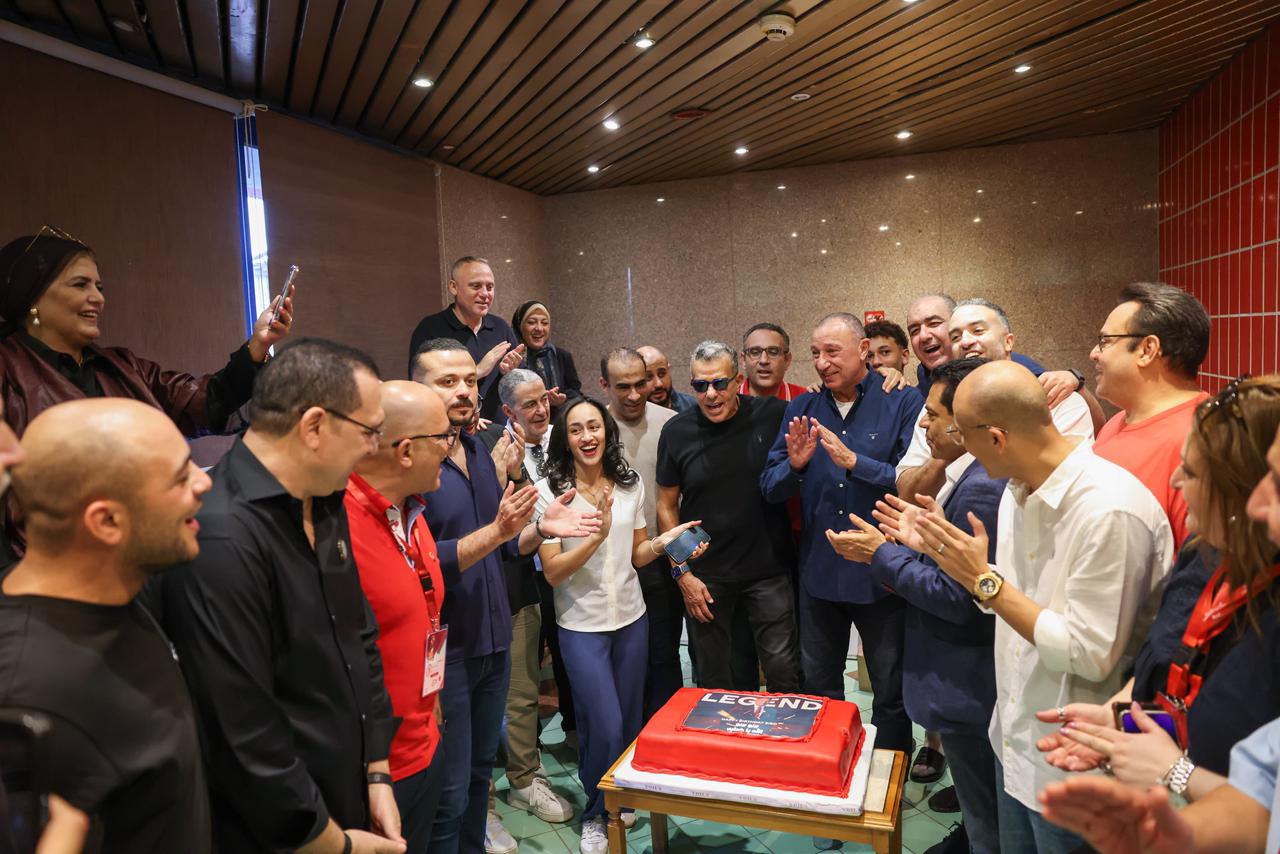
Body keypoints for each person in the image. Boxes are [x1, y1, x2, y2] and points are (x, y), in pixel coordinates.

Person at [912, 359, 1173, 854]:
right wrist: (957, 563)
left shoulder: (1109, 509)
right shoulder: (1018, 489)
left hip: (1077, 763)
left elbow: (1089, 653)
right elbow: (1014, 602)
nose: (956, 445)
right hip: (1014, 740)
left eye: (961, 433)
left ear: (996, 438)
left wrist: (984, 581)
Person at [159, 338, 406, 854]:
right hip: (283, 830)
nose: (374, 447)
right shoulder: (220, 535)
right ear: (314, 426)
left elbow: (358, 634)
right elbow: (241, 730)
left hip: (349, 789)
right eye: (369, 431)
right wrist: (331, 842)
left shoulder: (325, 495)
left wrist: (377, 770)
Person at [1034, 377, 1280, 803]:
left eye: (1193, 472)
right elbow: (1166, 676)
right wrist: (1121, 717)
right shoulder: (1202, 554)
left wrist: (1177, 773)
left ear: (1238, 492)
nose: (1177, 480)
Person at [410, 338, 600, 854]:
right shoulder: (411, 461)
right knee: (448, 792)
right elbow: (416, 558)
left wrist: (540, 529)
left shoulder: (478, 450)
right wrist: (499, 533)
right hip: (445, 648)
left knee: (477, 778)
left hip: (494, 637)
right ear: (417, 389)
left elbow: (504, 545)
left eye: (470, 381)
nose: (463, 391)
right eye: (447, 381)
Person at [0, 229, 293, 560]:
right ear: (33, 296)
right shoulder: (7, 368)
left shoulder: (122, 366)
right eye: (80, 285)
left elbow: (203, 403)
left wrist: (257, 346)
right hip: (51, 565)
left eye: (99, 287)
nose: (98, 298)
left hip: (144, 555)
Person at [0, 398, 210, 852]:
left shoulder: (120, 592)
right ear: (107, 521)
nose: (205, 481)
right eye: (181, 477)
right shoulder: (29, 696)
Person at [826, 357, 1004, 854]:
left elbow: (959, 599)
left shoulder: (982, 489)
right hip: (970, 685)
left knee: (989, 825)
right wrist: (921, 543)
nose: (923, 423)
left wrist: (882, 555)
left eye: (932, 414)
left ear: (965, 420)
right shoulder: (970, 475)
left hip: (969, 684)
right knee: (982, 816)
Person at [536, 397, 704, 854]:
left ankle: (620, 797)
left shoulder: (629, 483)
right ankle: (596, 815)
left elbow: (638, 554)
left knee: (629, 720)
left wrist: (666, 541)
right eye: (576, 429)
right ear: (564, 438)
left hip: (632, 618)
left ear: (607, 432)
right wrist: (596, 536)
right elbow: (553, 573)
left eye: (594, 426)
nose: (587, 436)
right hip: (580, 625)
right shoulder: (552, 493)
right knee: (604, 723)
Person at [760, 313, 922, 755]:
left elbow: (914, 481)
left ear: (864, 350)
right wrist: (795, 467)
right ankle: (829, 765)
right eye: (815, 353)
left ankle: (889, 770)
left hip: (882, 573)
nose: (821, 362)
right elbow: (770, 487)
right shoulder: (804, 408)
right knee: (820, 687)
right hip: (820, 574)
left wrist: (855, 462)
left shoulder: (902, 400)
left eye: (832, 351)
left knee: (890, 689)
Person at [344, 381, 458, 853]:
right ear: (406, 450)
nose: (450, 448)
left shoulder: (409, 511)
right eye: (444, 436)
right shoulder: (336, 527)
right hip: (376, 774)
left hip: (426, 738)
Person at [656, 340, 801, 692]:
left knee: (783, 671)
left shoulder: (771, 413)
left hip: (768, 570)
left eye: (720, 383)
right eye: (700, 385)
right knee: (717, 680)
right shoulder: (676, 431)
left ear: (738, 381)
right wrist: (682, 573)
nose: (710, 394)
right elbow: (666, 505)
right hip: (706, 577)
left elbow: (823, 405)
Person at [895, 292, 1102, 505]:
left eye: (978, 330)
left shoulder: (1055, 397)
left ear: (1008, 341)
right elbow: (907, 493)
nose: (965, 342)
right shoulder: (936, 409)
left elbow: (1064, 484)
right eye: (955, 337)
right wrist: (949, 447)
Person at [479, 369, 574, 825]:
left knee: (525, 691)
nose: (540, 410)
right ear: (506, 410)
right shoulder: (486, 446)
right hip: (490, 583)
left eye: (543, 401)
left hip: (539, 580)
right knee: (485, 699)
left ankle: (525, 776)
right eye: (528, 404)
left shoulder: (557, 441)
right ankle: (485, 803)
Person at [1090, 282, 1211, 547]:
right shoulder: (1117, 421)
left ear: (1147, 350)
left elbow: (1199, 563)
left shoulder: (1202, 439)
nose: (1094, 354)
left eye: (1105, 342)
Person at [599, 347, 682, 718]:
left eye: (640, 383)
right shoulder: (592, 427)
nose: (634, 395)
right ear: (604, 385)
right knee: (623, 658)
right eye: (623, 387)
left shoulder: (672, 423)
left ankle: (667, 728)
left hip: (660, 556)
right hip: (609, 562)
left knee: (664, 653)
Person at [407, 256, 524, 421]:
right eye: (476, 286)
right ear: (453, 287)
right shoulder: (430, 329)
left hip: (500, 427)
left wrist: (510, 372)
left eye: (490, 287)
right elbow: (421, 388)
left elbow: (521, 382)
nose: (485, 294)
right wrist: (478, 371)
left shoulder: (500, 327)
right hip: (454, 427)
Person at [511, 300, 582, 408]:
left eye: (544, 323)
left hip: (558, 416)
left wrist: (563, 400)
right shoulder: (512, 358)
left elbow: (576, 392)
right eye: (531, 322)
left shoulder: (561, 356)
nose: (539, 328)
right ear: (519, 326)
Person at [739, 322, 808, 401]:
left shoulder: (807, 400)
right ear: (743, 360)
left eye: (773, 352)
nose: (764, 361)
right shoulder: (730, 400)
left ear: (787, 360)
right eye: (755, 352)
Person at [637, 345, 696, 413]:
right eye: (648, 377)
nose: (658, 384)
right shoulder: (629, 416)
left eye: (662, 374)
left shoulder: (692, 407)